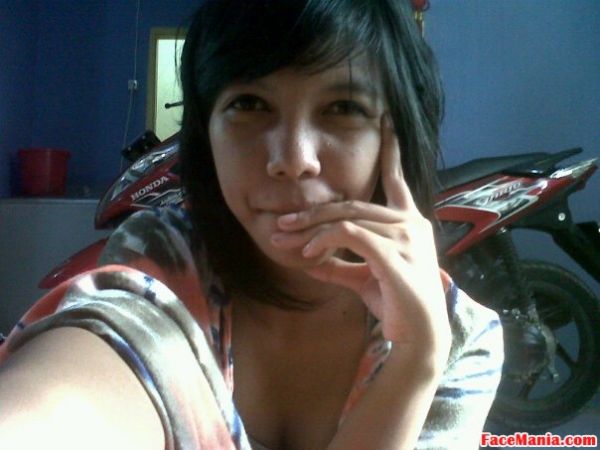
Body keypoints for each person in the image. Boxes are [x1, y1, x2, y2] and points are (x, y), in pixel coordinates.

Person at [0, 1, 503, 449]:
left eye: (343, 108)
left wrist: (415, 362)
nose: (293, 159)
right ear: (206, 132)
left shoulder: (456, 335)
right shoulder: (165, 258)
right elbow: (111, 351)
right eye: (249, 104)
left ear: (394, 137)